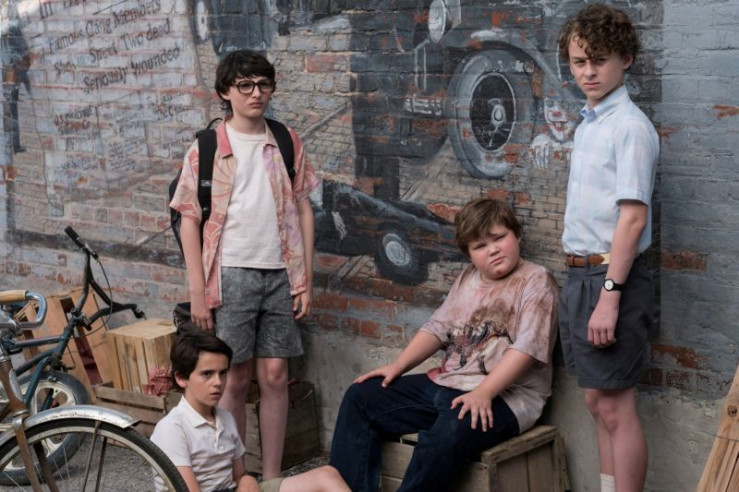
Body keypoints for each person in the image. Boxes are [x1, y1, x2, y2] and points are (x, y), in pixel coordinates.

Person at [329, 198, 559, 491]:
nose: (493, 250)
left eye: (499, 238)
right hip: (448, 385)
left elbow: (525, 349)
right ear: (469, 255)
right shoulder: (468, 278)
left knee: (447, 433)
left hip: (506, 397)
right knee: (361, 396)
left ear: (517, 236)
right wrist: (397, 366)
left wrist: (484, 392)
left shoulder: (536, 281)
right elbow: (437, 328)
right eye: (480, 246)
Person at [169, 49, 318, 480]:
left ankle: (269, 479)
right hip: (230, 274)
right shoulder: (207, 147)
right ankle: (236, 478)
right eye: (245, 85)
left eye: (264, 85)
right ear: (225, 92)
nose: (257, 93)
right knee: (233, 378)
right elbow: (189, 219)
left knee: (275, 375)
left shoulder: (286, 140)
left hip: (280, 273)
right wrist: (198, 292)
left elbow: (304, 209)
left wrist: (306, 278)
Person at [557, 4, 659, 492]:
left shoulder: (629, 127)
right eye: (579, 62)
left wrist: (610, 296)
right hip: (581, 275)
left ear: (626, 60)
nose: (588, 72)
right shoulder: (590, 123)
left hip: (610, 278)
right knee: (597, 402)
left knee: (616, 407)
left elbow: (633, 218)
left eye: (599, 61)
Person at [151, 331, 350, 492]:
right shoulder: (172, 429)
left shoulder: (225, 418)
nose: (218, 382)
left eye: (223, 373)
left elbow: (239, 476)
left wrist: (246, 480)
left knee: (327, 475)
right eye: (207, 374)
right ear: (181, 378)